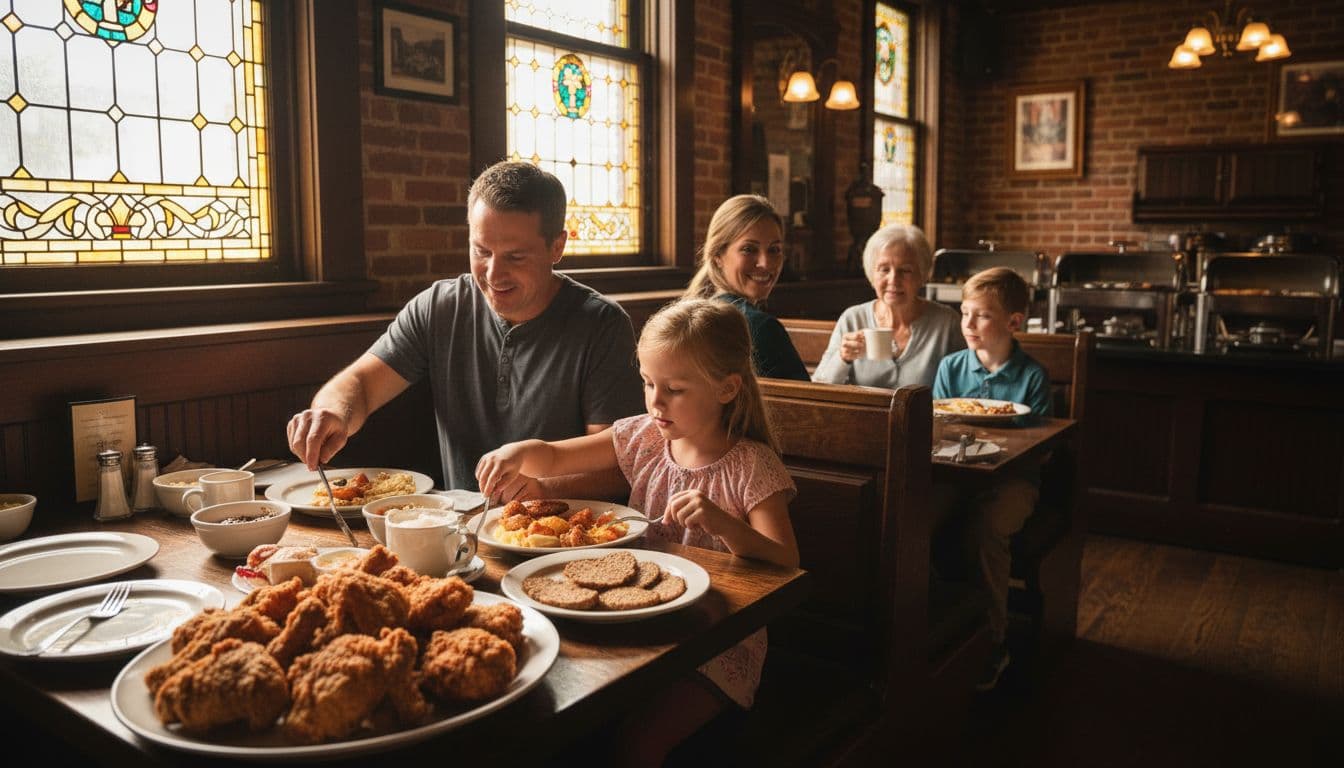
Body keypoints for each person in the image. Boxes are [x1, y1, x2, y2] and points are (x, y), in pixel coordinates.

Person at [476, 299, 799, 764]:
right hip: (638, 622)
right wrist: (518, 451)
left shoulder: (751, 465)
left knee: (637, 744)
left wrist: (723, 523)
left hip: (719, 641)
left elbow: (785, 559)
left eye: (674, 389)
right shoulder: (646, 436)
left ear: (727, 388)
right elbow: (556, 456)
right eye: (648, 383)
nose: (655, 401)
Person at [286, 161, 644, 499]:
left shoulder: (602, 324)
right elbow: (361, 385)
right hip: (459, 528)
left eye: (515, 256)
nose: (493, 273)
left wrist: (542, 490)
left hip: (564, 537)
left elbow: (619, 463)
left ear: (557, 246)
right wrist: (332, 414)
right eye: (481, 250)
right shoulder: (440, 305)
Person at [931, 267, 1052, 691]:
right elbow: (939, 426)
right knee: (916, 517)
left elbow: (1040, 447)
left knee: (985, 529)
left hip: (1014, 483)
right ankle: (935, 627)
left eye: (980, 316)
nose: (967, 324)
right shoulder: (951, 367)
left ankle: (994, 640)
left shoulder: (1032, 376)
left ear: (1014, 322)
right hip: (955, 475)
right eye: (964, 313)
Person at [812, 223, 964, 388]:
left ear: (922, 275)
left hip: (926, 414)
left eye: (905, 270)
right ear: (872, 274)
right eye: (884, 270)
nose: (893, 280)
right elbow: (820, 386)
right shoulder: (853, 318)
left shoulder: (947, 323)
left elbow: (964, 387)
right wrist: (843, 358)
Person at [683, 194, 810, 381]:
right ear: (718, 255)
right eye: (749, 249)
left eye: (774, 250)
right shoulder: (761, 327)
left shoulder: (693, 317)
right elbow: (808, 408)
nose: (765, 263)